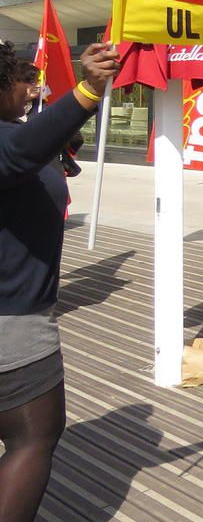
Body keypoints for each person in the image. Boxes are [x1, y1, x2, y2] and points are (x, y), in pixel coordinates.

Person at [0, 40, 119, 522]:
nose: (29, 90)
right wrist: (87, 90)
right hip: (12, 318)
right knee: (33, 436)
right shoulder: (9, 143)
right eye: (19, 81)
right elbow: (20, 153)